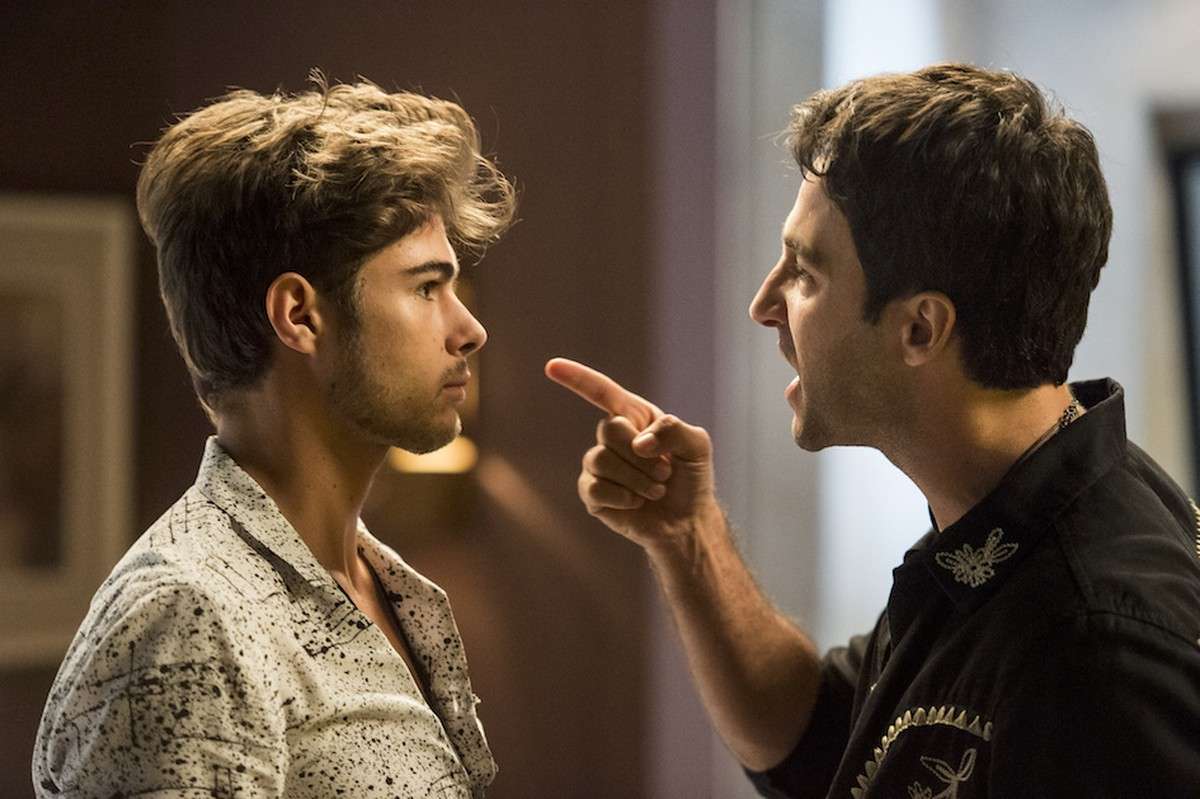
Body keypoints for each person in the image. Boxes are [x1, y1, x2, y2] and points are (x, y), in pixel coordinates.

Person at [547, 63, 1200, 797]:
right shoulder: (1004, 516)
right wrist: (688, 535)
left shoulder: (1098, 649)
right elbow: (825, 743)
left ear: (920, 328)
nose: (764, 304)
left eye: (804, 272)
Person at [34, 75, 514, 798]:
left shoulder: (392, 591)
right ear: (299, 315)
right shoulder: (188, 617)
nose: (469, 329)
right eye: (426, 287)